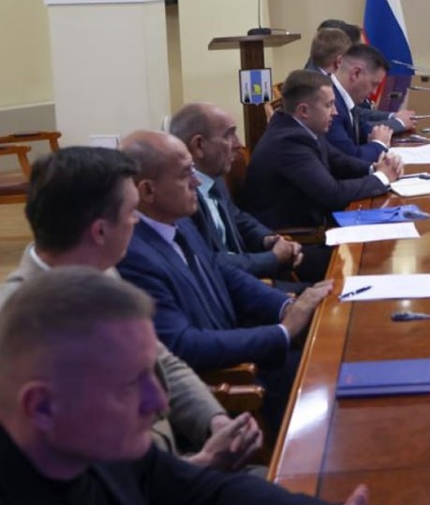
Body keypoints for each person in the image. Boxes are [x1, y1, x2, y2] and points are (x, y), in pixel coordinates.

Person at [0, 267, 416, 505]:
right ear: (42, 407)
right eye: (129, 385)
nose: (158, 401)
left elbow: (206, 496)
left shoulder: (89, 442)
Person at [0, 145, 262, 472]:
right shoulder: (23, 325)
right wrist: (200, 464)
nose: (136, 221)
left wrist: (214, 420)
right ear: (100, 231)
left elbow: (161, 359)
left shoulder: (99, 270)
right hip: (150, 487)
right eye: (131, 212)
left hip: (177, 463)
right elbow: (88, 468)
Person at [116, 130, 333, 428]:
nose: (196, 182)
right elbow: (184, 345)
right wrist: (282, 331)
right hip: (226, 384)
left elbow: (223, 273)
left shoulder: (179, 221)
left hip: (245, 347)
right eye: (185, 174)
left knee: (337, 350)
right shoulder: (132, 255)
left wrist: (285, 306)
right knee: (330, 381)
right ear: (148, 191)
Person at [243, 70, 404, 233]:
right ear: (304, 111)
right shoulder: (288, 142)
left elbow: (339, 161)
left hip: (318, 219)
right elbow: (333, 194)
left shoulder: (303, 127)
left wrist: (374, 168)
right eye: (329, 105)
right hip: (297, 236)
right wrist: (381, 178)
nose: (335, 112)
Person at [170, 102, 304, 282]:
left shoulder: (215, 177)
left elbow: (238, 218)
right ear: (199, 145)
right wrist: (272, 258)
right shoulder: (179, 198)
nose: (239, 144)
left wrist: (267, 239)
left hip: (250, 280)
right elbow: (210, 261)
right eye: (229, 135)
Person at [328, 43, 415, 162]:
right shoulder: (329, 104)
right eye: (374, 84)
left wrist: (385, 132)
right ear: (356, 73)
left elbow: (364, 129)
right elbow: (350, 158)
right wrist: (379, 145)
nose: (374, 92)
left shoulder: (341, 96)